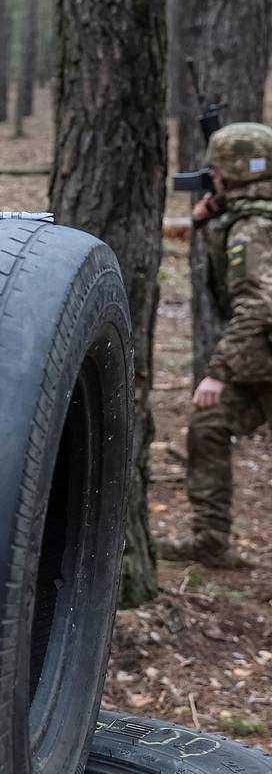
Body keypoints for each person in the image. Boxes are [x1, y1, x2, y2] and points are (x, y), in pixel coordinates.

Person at [159, 121, 272, 569]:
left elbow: (258, 306)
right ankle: (210, 540)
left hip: (254, 362)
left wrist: (217, 372)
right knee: (207, 428)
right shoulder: (243, 220)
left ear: (228, 173)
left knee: (207, 422)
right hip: (261, 364)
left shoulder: (251, 231)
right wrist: (206, 225)